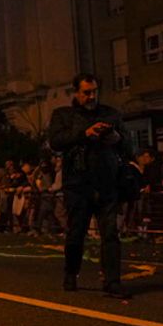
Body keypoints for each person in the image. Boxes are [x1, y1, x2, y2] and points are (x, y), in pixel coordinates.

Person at [47, 73, 130, 298]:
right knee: (76, 233)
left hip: (106, 183)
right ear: (76, 93)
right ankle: (71, 273)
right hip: (78, 184)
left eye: (94, 92)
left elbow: (127, 143)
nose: (91, 96)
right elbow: (56, 141)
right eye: (86, 92)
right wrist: (84, 133)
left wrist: (115, 137)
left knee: (110, 233)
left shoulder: (111, 114)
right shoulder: (63, 115)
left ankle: (112, 281)